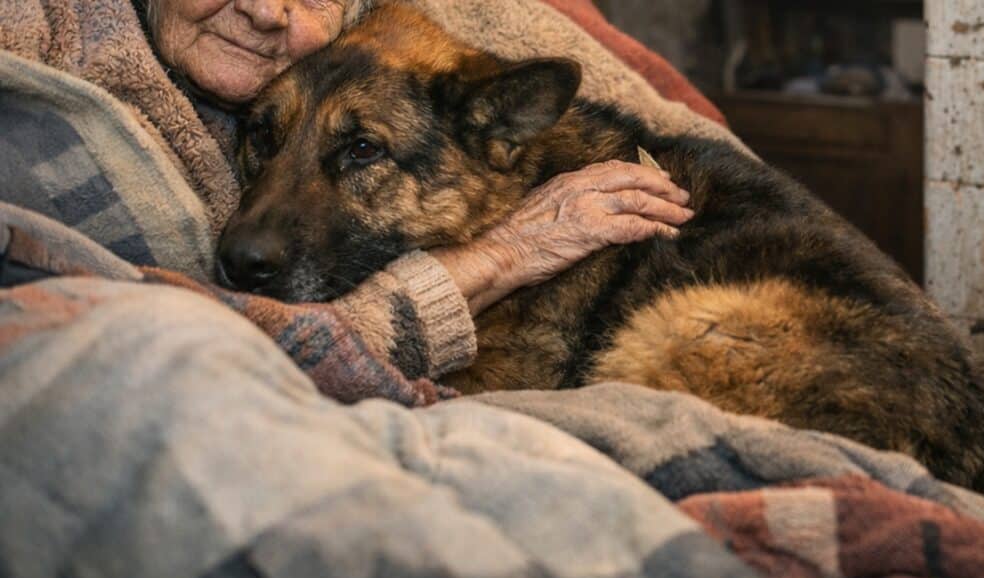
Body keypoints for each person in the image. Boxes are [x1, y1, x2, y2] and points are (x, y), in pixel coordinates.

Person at [0, 0, 692, 380]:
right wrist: (492, 259)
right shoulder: (50, 51)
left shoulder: (440, 33)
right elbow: (208, 370)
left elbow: (672, 119)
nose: (270, 11)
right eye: (263, 138)